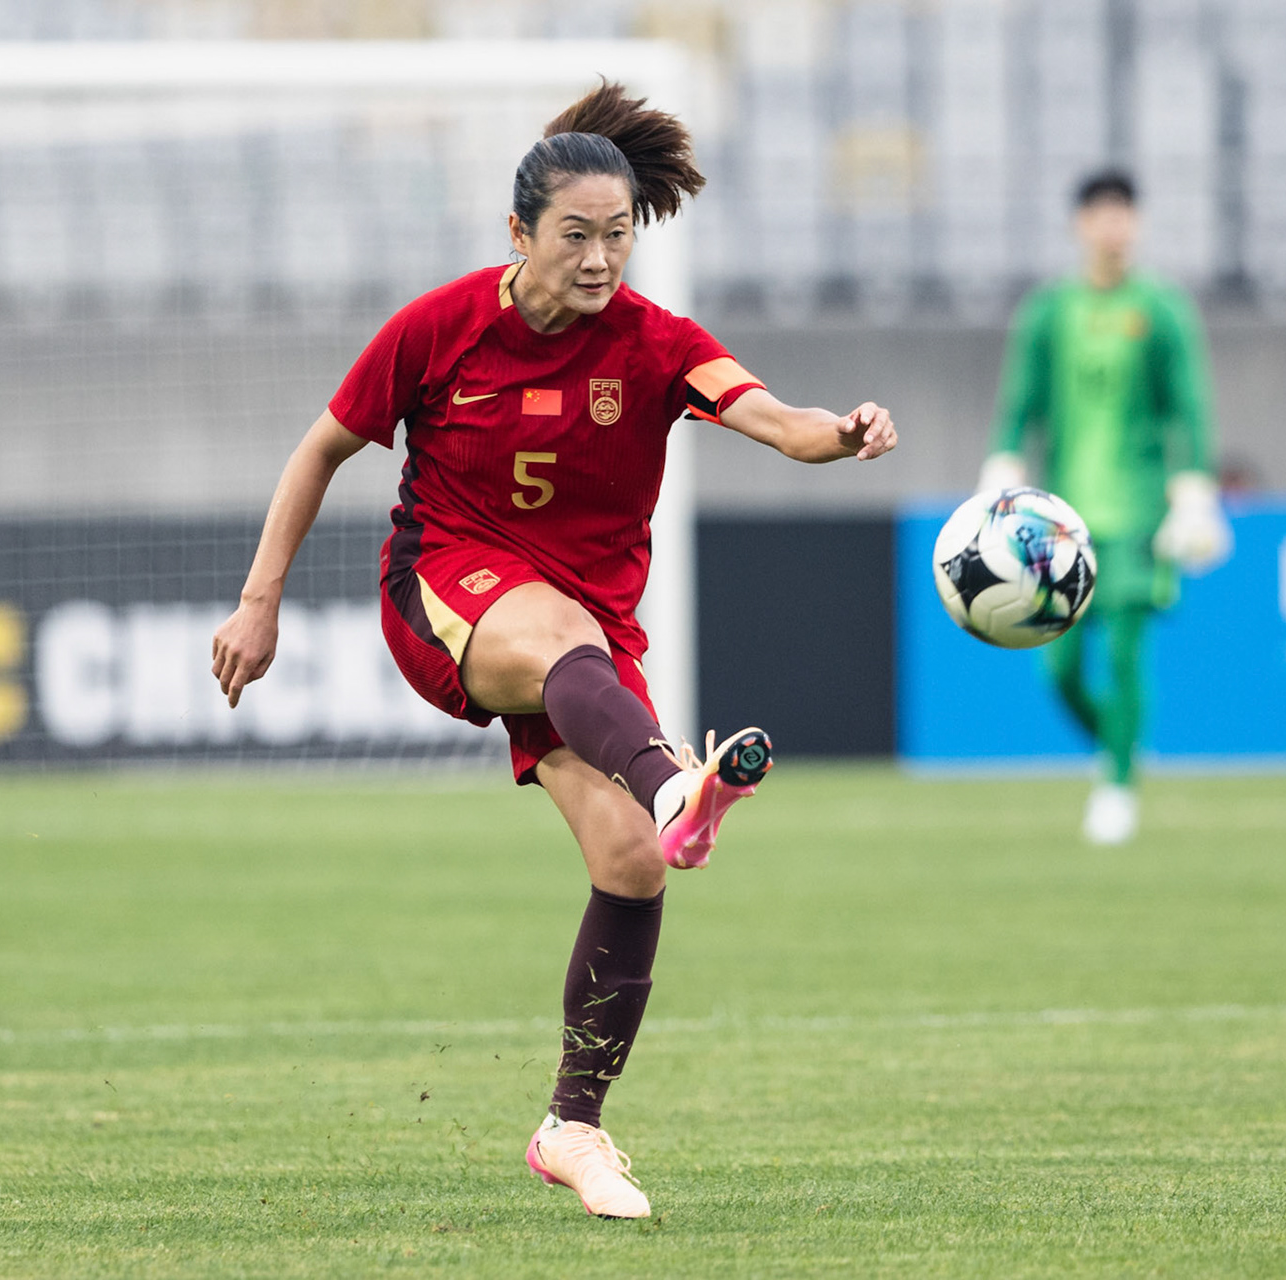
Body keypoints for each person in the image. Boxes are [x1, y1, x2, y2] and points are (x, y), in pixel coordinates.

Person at [210, 82, 896, 1220]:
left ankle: (573, 1126)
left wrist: (846, 431)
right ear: (517, 233)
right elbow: (320, 449)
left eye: (617, 236)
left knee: (631, 860)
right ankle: (680, 777)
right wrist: (259, 602)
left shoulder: (659, 343)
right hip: (445, 585)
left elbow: (773, 417)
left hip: (585, 642)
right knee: (570, 654)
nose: (599, 259)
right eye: (575, 236)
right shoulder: (438, 329)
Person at [977, 169, 1228, 846]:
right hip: (1058, 521)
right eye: (1100, 213)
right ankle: (1115, 750)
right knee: (1056, 669)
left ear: (1136, 223)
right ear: (1080, 224)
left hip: (1138, 515)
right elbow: (1020, 400)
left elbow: (1190, 404)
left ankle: (1116, 788)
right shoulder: (1050, 311)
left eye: (1123, 213)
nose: (1112, 225)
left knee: (1123, 655)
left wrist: (1196, 489)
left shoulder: (1163, 307)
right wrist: (1001, 465)